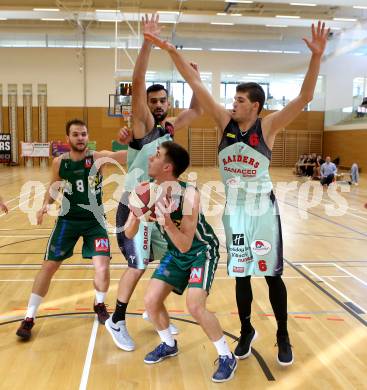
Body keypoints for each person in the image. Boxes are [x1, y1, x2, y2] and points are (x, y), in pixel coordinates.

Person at [144, 18, 329, 366]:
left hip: (263, 211)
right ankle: (246, 330)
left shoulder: (269, 126)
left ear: (255, 106)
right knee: (241, 275)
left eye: (240, 100)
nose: (233, 104)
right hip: (236, 211)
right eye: (233, 98)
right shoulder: (223, 123)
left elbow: (305, 97)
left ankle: (283, 334)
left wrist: (316, 57)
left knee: (272, 276)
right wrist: (170, 50)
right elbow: (195, 81)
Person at [106, 14, 203, 352]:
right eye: (154, 101)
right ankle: (116, 318)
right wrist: (147, 42)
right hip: (133, 205)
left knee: (158, 261)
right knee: (136, 264)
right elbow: (137, 79)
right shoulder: (142, 124)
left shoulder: (171, 127)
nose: (159, 105)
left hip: (155, 208)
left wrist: (195, 78)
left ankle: (152, 311)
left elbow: (198, 109)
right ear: (146, 104)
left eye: (163, 101)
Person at [125, 141, 237, 382]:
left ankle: (227, 356)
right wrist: (136, 214)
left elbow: (186, 243)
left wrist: (165, 221)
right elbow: (128, 234)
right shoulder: (145, 190)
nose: (150, 159)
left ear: (168, 167)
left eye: (156, 156)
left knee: (195, 306)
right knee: (151, 301)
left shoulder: (189, 194)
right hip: (175, 253)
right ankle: (168, 344)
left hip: (201, 251)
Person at [16, 119, 127, 340]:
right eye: (76, 134)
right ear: (68, 138)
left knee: (102, 266)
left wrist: (136, 142)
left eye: (84, 134)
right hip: (67, 220)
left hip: (94, 221)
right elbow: (55, 186)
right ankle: (29, 317)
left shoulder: (97, 157)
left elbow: (125, 156)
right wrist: (45, 205)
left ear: (88, 136)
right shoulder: (60, 162)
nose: (80, 138)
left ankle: (99, 303)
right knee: (48, 266)